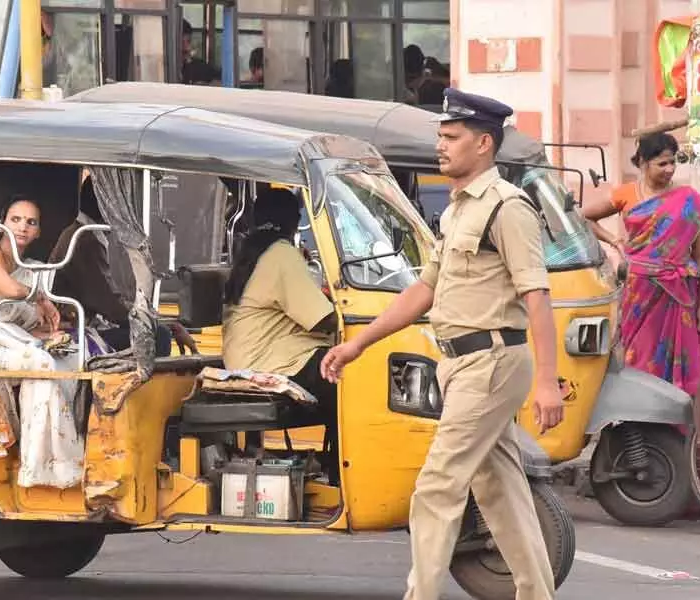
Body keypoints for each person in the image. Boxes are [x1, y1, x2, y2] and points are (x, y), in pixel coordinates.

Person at [320, 88, 563, 599]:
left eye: (452, 137)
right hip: (462, 364)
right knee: (500, 491)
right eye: (441, 137)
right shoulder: (456, 211)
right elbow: (424, 290)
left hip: (491, 360)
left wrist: (547, 383)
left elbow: (537, 296)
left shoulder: (506, 208)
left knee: (436, 486)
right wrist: (358, 343)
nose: (441, 146)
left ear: (483, 144)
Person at [0, 195, 88, 489]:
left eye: (31, 222)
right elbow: (11, 290)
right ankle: (36, 465)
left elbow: (24, 323)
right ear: (2, 223)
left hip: (7, 336)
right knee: (41, 364)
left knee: (72, 355)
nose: (22, 227)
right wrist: (40, 299)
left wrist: (53, 334)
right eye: (16, 220)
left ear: (38, 231)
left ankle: (59, 458)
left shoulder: (33, 269)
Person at [221, 185, 339, 483]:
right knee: (346, 374)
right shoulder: (281, 256)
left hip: (248, 358)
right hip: (272, 363)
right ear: (293, 222)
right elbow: (323, 320)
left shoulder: (253, 252)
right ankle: (340, 469)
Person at [583, 132, 700, 396]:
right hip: (639, 292)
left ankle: (673, 431)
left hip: (679, 294)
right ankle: (637, 427)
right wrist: (614, 240)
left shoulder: (689, 201)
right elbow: (584, 217)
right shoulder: (626, 194)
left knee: (680, 364)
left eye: (673, 162)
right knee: (637, 357)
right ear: (643, 162)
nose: (670, 169)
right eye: (662, 163)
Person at [49, 177, 198, 357]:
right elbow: (111, 306)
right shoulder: (85, 239)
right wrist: (165, 324)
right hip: (76, 332)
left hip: (89, 325)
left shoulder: (87, 234)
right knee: (158, 336)